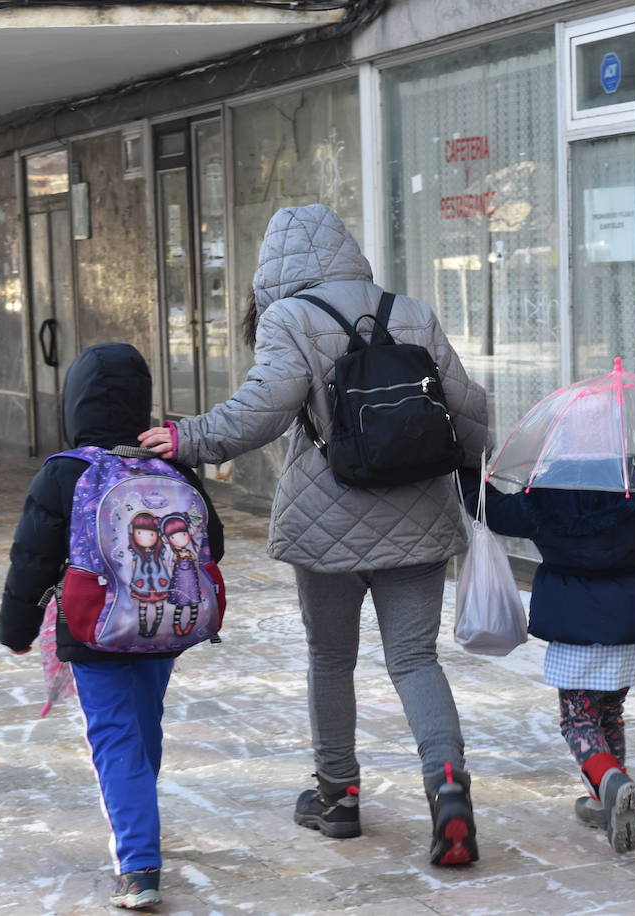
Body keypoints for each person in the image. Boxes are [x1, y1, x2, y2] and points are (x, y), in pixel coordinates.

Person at [139, 203, 490, 866]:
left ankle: (338, 797)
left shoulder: (288, 318)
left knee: (331, 660)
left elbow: (260, 412)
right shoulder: (407, 310)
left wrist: (188, 438)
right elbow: (466, 408)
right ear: (347, 253)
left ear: (272, 270)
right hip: (419, 510)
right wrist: (481, 465)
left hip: (326, 522)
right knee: (415, 659)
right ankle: (448, 789)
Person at [0, 343, 224, 910]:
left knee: (114, 735)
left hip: (92, 624)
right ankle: (140, 824)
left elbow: (31, 558)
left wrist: (17, 627)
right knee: (145, 723)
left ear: (74, 402)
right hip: (162, 622)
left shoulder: (65, 472)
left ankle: (139, 862)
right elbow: (210, 544)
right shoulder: (172, 467)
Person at [460, 465, 635, 855]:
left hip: (574, 625)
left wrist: (470, 474)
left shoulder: (545, 495)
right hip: (630, 622)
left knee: (578, 717)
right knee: (609, 711)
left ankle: (610, 781)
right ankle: (604, 800)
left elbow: (496, 512)